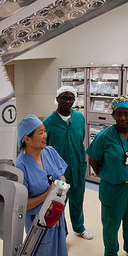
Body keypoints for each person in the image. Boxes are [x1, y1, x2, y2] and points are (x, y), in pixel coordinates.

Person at [16, 115, 78, 256]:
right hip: (38, 220)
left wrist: (60, 185)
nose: (45, 135)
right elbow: (24, 204)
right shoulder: (21, 165)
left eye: (44, 131)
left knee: (60, 250)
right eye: (40, 132)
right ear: (27, 139)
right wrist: (48, 194)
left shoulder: (49, 152)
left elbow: (61, 175)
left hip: (56, 214)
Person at [87, 96, 128, 256]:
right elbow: (93, 160)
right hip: (113, 187)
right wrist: (107, 175)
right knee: (111, 223)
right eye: (118, 114)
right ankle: (111, 255)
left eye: (127, 114)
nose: (122, 118)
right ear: (113, 115)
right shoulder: (104, 136)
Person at [43, 86, 93, 240]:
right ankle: (61, 234)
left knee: (78, 200)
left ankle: (79, 228)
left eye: (71, 98)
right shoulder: (48, 123)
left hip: (77, 167)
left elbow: (81, 139)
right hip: (59, 172)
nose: (68, 101)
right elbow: (45, 150)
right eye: (64, 98)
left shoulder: (79, 118)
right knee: (59, 203)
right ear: (57, 99)